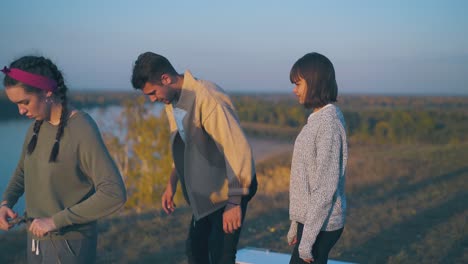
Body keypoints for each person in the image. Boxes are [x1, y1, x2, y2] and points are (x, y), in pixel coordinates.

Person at [131, 52, 257, 264]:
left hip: (229, 190)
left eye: (153, 93)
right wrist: (172, 183)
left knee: (221, 257)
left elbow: (237, 148)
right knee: (196, 253)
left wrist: (235, 200)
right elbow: (182, 144)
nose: (153, 99)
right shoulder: (173, 101)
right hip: (205, 194)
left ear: (166, 79)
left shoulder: (206, 98)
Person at [0, 55, 127, 263]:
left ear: (47, 92)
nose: (20, 111)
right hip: (36, 240)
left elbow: (114, 192)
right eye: (15, 104)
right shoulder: (35, 127)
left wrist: (54, 221)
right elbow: (23, 172)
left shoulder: (81, 127)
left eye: (25, 102)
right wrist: (6, 202)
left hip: (69, 244)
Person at [286, 52, 347, 264]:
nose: (294, 90)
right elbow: (305, 178)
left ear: (314, 83)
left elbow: (324, 187)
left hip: (321, 225)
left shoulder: (328, 125)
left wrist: (307, 240)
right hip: (311, 223)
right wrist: (296, 223)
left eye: (298, 84)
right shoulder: (317, 121)